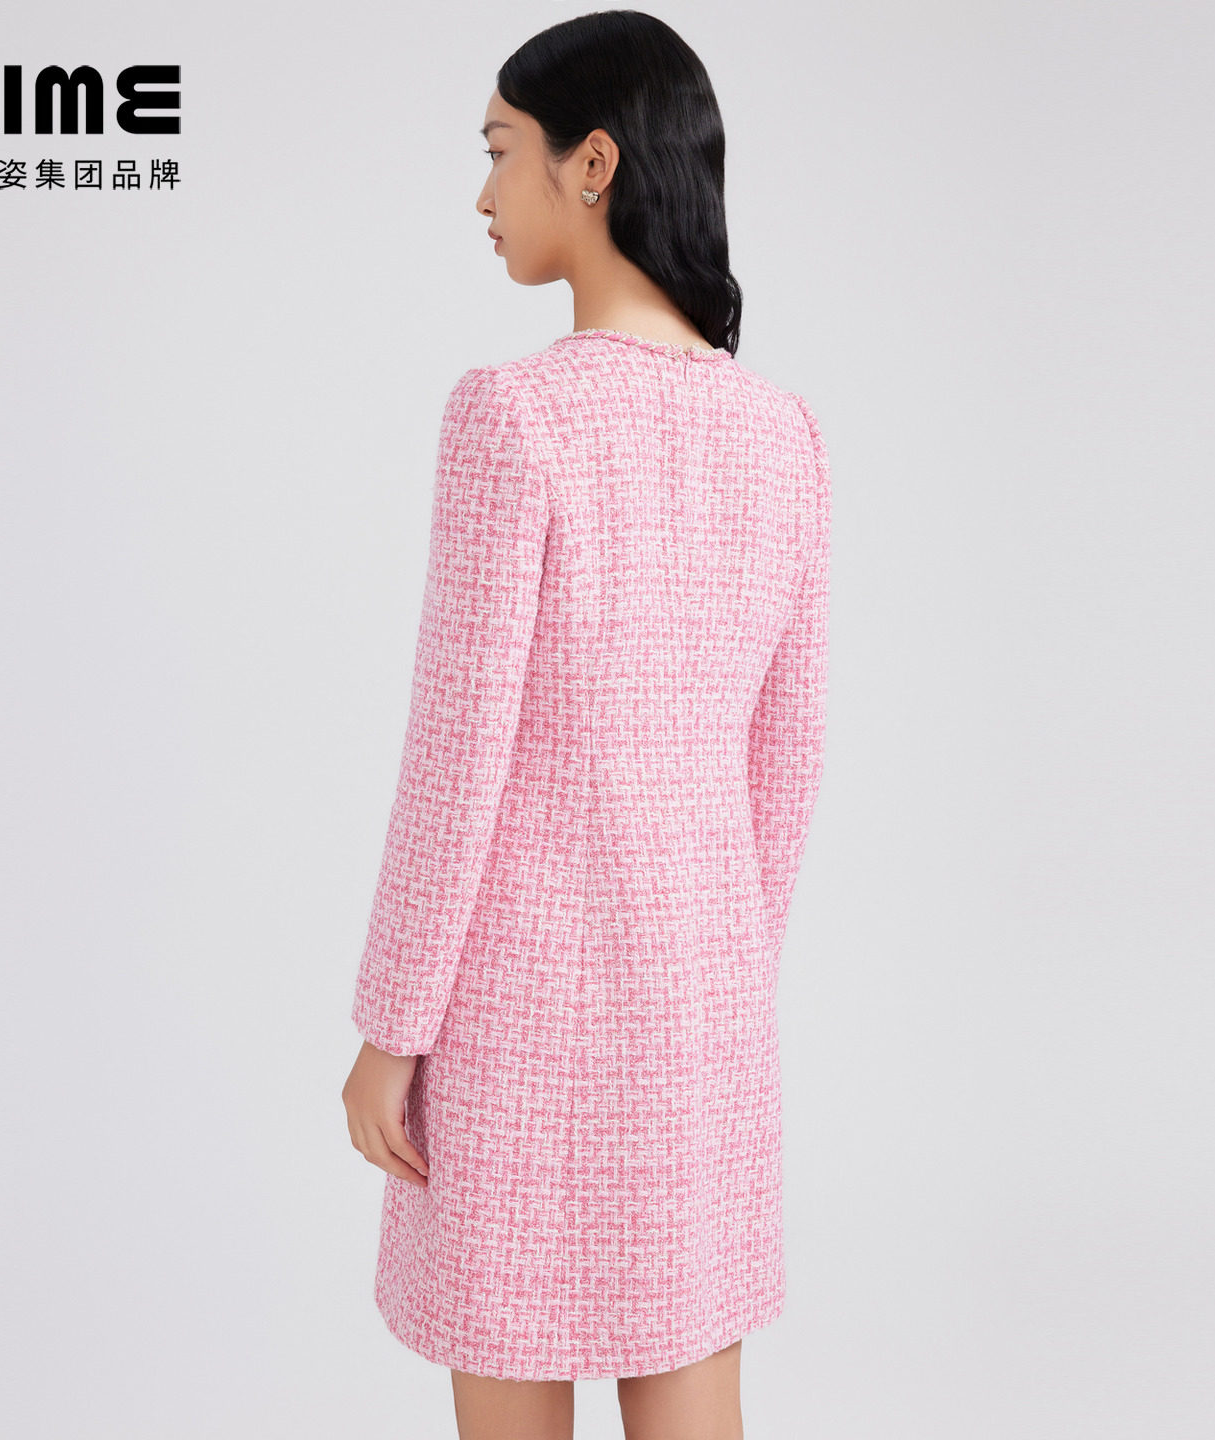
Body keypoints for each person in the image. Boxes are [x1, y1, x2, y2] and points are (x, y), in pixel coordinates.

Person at [341, 12, 830, 1439]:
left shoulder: (514, 419)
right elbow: (787, 758)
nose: (483, 194)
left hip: (519, 1020)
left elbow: (456, 761)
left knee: (510, 1363)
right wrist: (719, 976)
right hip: (702, 1015)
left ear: (593, 163)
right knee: (694, 1388)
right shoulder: (783, 432)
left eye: (502, 152)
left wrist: (389, 1031)